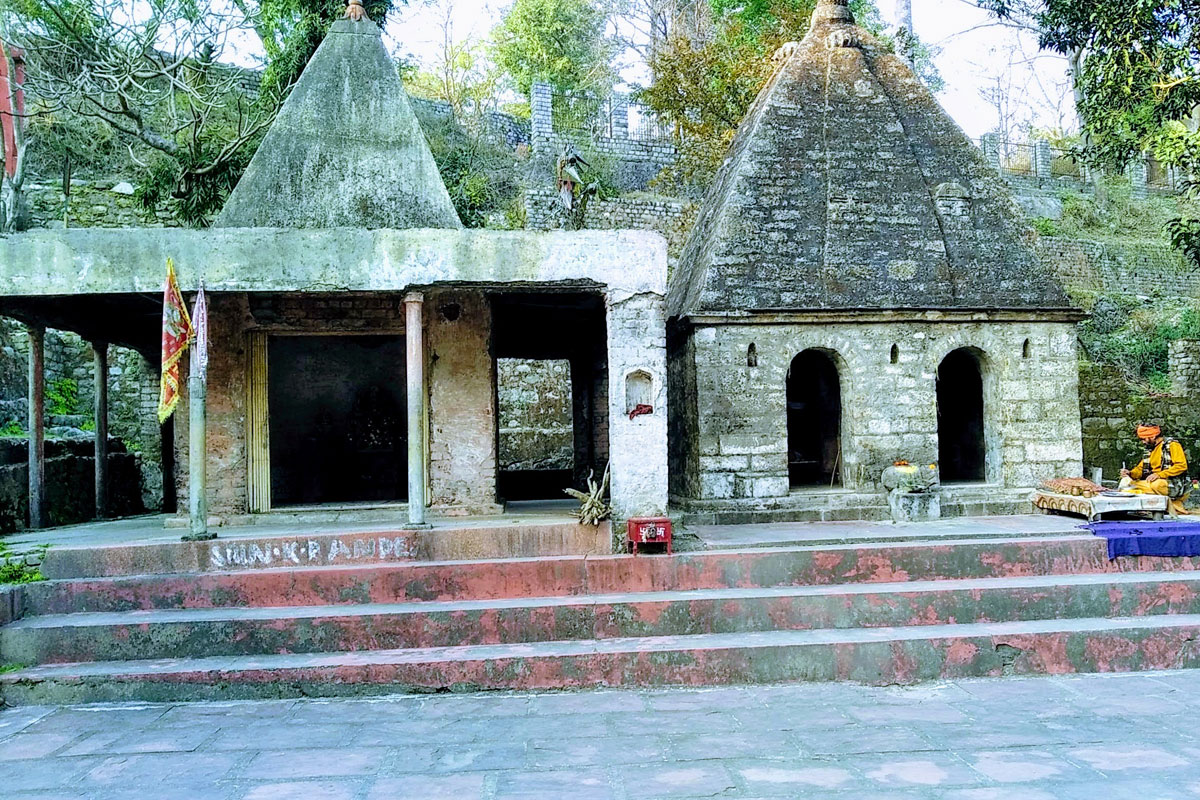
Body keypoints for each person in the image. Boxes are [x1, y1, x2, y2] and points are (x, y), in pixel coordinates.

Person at [1119, 424, 1192, 516]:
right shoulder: (1150, 449)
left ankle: (1174, 506)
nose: (1143, 442)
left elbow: (1181, 466)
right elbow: (1140, 469)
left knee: (1157, 485)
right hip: (1152, 482)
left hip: (1174, 483)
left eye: (1144, 439)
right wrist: (1130, 473)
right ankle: (1164, 506)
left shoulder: (1172, 445)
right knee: (1127, 485)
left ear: (1153, 436)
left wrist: (1159, 475)